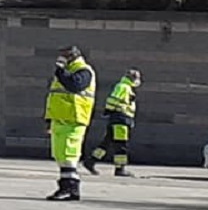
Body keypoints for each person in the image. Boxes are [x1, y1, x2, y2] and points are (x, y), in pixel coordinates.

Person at [44, 45, 96, 202]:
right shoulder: (65, 72)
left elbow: (75, 86)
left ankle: (70, 187)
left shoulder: (84, 70)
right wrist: (49, 120)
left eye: (65, 56)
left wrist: (60, 71)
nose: (61, 59)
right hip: (60, 118)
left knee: (69, 153)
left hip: (74, 118)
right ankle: (67, 187)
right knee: (60, 154)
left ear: (73, 56)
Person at [83, 67, 140, 178]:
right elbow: (113, 99)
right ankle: (120, 168)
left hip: (119, 118)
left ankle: (91, 161)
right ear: (133, 78)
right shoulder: (124, 87)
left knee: (106, 143)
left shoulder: (125, 87)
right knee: (121, 145)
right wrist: (109, 110)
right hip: (121, 119)